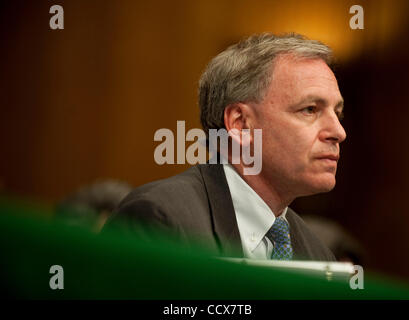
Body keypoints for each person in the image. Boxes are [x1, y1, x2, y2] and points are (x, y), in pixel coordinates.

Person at [106, 33, 346, 261]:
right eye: (310, 109)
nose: (338, 132)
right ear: (240, 124)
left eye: (337, 113)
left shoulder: (317, 252)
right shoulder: (161, 220)